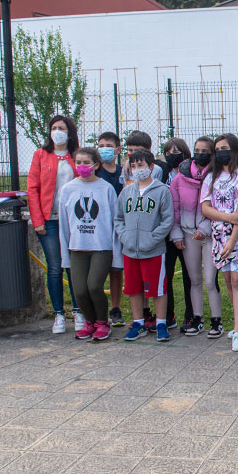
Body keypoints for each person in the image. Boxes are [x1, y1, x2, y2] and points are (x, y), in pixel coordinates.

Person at [27, 115, 82, 334]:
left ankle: (78, 310)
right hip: (49, 221)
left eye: (62, 128)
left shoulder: (77, 155)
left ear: (70, 132)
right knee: (54, 266)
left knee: (73, 266)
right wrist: (38, 220)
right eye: (54, 128)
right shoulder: (40, 155)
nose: (57, 131)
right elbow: (32, 189)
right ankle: (59, 314)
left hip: (73, 220)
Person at [200, 133, 238, 352]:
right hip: (218, 237)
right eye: (218, 149)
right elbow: (205, 208)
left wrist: (233, 240)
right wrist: (227, 217)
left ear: (234, 149)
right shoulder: (210, 177)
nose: (221, 152)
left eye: (225, 148)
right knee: (228, 281)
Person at [59, 147, 120, 342]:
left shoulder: (106, 189)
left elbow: (115, 220)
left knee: (94, 286)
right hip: (78, 247)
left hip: (101, 247)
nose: (82, 166)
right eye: (78, 162)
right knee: (79, 291)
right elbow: (64, 223)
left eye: (86, 162)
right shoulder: (68, 189)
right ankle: (90, 323)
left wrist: (116, 252)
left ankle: (102, 322)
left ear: (96, 164)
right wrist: (65, 252)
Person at [115, 148, 174, 343]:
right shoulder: (126, 192)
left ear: (150, 166)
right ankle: (138, 323)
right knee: (134, 288)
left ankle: (161, 323)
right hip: (130, 250)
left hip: (154, 250)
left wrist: (152, 238)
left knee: (157, 289)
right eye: (133, 166)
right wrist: (125, 237)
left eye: (140, 165)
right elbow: (118, 218)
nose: (136, 169)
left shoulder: (162, 191)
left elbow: (167, 220)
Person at [169, 137, 223, 338]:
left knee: (210, 280)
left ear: (212, 154)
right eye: (197, 150)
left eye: (205, 151)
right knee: (194, 280)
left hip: (209, 236)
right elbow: (174, 209)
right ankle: (197, 318)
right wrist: (176, 234)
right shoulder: (179, 179)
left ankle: (217, 320)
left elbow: (219, 207)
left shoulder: (218, 176)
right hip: (187, 234)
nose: (200, 154)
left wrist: (205, 228)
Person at [161, 137, 193, 330]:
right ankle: (167, 315)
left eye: (176, 152)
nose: (171, 156)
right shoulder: (161, 174)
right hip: (167, 234)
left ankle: (191, 315)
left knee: (190, 276)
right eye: (168, 153)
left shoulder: (191, 173)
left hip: (187, 232)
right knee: (166, 275)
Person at [96, 132, 126, 327]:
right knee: (98, 271)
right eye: (101, 145)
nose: (104, 149)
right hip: (99, 226)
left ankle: (116, 308)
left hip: (120, 226)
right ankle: (97, 311)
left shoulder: (123, 173)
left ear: (117, 150)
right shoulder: (95, 172)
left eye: (108, 145)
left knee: (116, 269)